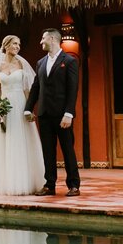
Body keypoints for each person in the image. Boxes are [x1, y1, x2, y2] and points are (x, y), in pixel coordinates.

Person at [0, 35, 46, 195]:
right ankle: (7, 182)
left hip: (19, 105)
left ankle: (26, 182)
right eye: (14, 44)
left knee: (21, 141)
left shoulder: (21, 63)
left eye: (19, 44)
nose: (18, 47)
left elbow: (27, 90)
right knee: (5, 142)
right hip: (5, 108)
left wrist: (29, 109)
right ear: (6, 45)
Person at [24, 28, 80, 197]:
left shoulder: (69, 61)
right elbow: (35, 87)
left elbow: (73, 89)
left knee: (67, 149)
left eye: (43, 39)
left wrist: (69, 113)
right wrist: (28, 107)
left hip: (62, 115)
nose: (41, 42)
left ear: (53, 39)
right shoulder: (40, 62)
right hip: (44, 114)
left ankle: (74, 185)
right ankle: (50, 185)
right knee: (48, 151)